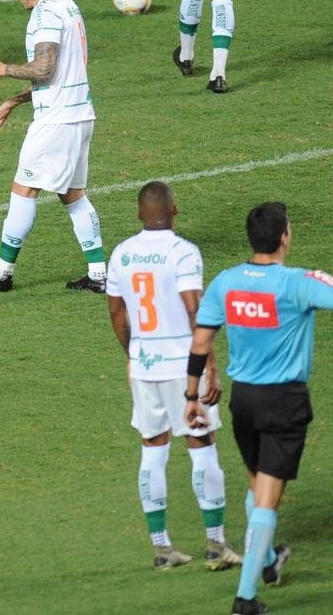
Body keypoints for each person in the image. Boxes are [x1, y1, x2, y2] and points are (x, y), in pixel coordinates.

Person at [185, 202, 332, 615]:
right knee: (267, 500)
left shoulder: (227, 282)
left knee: (256, 487)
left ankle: (268, 560)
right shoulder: (298, 283)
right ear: (285, 236)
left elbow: (200, 344)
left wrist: (191, 398)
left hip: (244, 401)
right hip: (284, 401)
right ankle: (245, 599)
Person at [106, 182, 241, 572]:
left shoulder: (122, 254)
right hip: (184, 368)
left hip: (144, 364)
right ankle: (216, 545)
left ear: (138, 214)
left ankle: (162, 547)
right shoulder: (183, 252)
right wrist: (210, 367)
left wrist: (133, 353)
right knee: (202, 445)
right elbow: (195, 310)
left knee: (153, 447)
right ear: (175, 210)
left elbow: (117, 314)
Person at [0, 0, 106, 293]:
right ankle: (99, 274)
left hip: (57, 121)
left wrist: (4, 69)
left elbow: (44, 69)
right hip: (79, 114)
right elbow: (63, 72)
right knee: (73, 196)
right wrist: (15, 100)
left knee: (23, 191)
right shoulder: (68, 6)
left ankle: (2, 272)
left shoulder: (44, 13)